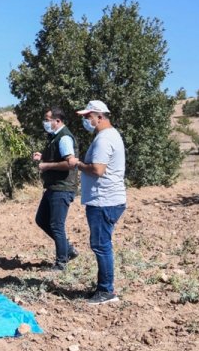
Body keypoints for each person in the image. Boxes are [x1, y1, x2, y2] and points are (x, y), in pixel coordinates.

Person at [67, 101, 127, 305]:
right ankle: (104, 287)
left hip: (104, 200)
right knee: (102, 244)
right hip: (107, 199)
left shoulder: (103, 140)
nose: (85, 121)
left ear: (99, 117)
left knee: (101, 245)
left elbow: (98, 170)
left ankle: (106, 291)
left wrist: (78, 164)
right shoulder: (111, 136)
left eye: (87, 117)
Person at [31, 107, 79, 271]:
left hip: (62, 188)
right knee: (41, 220)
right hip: (53, 186)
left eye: (47, 119)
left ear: (57, 121)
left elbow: (69, 164)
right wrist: (42, 157)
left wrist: (46, 165)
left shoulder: (64, 138)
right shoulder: (55, 137)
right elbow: (58, 157)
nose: (45, 123)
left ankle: (61, 263)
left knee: (57, 225)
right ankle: (68, 249)